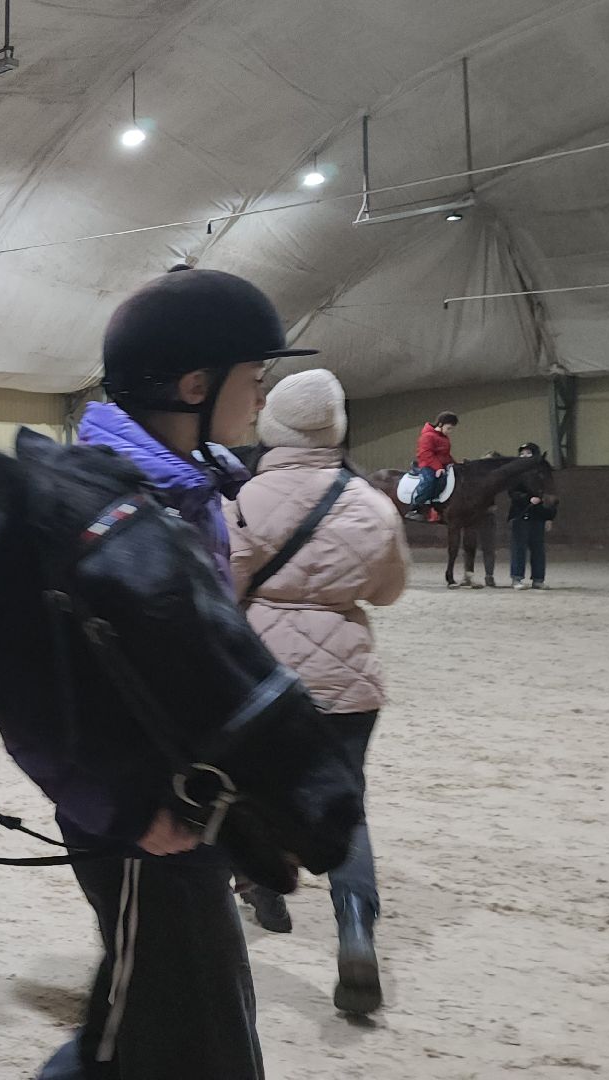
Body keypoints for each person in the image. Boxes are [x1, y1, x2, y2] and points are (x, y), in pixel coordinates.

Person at [29, 265, 314, 1080]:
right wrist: (121, 804)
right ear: (195, 384)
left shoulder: (197, 492)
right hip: (141, 826)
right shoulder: (107, 513)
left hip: (199, 806)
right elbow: (47, 697)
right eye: (254, 378)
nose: (262, 395)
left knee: (163, 1023)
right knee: (172, 1029)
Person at [227, 368, 409, 1016]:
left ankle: (264, 888)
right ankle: (356, 930)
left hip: (264, 673)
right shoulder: (371, 503)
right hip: (347, 679)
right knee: (344, 806)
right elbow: (387, 591)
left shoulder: (244, 498)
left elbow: (227, 585)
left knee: (247, 789)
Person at [508, 442, 556, 589]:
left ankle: (538, 579)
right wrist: (527, 499)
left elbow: (551, 495)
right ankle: (517, 578)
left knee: (538, 549)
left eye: (528, 453)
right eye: (522, 454)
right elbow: (513, 493)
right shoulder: (515, 473)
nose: (524, 456)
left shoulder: (544, 474)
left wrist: (549, 516)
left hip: (539, 515)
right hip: (521, 514)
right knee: (518, 548)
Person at [407, 410, 459, 519]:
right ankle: (416, 508)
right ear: (440, 424)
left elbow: (446, 455)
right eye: (448, 428)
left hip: (441, 465)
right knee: (428, 481)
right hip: (428, 465)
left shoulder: (444, 438)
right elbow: (426, 453)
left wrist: (456, 464)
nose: (450, 431)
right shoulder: (428, 436)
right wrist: (438, 468)